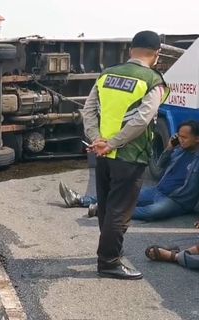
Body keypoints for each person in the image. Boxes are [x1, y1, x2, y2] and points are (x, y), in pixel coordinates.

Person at [81, 31, 170, 280]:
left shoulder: (107, 73)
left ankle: (108, 251)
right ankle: (109, 261)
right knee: (120, 211)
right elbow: (143, 119)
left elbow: (88, 110)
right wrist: (112, 143)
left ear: (131, 50)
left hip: (101, 154)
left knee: (108, 206)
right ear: (156, 54)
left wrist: (97, 139)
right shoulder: (153, 80)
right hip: (129, 156)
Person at [60, 120, 199, 219]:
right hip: (158, 190)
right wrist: (169, 148)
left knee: (151, 213)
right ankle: (80, 200)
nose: (180, 140)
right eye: (179, 136)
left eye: (184, 137)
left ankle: (104, 210)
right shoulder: (180, 151)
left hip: (176, 200)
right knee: (124, 196)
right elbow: (160, 165)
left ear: (197, 139)